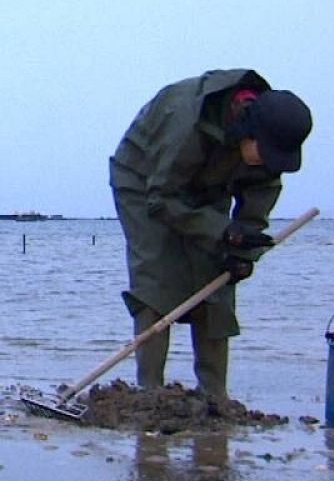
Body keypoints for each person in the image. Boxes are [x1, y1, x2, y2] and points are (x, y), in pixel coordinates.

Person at [110, 70, 312, 400]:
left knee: (217, 279)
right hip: (145, 180)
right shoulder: (185, 121)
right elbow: (162, 199)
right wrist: (222, 231)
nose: (268, 162)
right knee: (156, 278)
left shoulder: (268, 135)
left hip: (209, 183)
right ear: (247, 130)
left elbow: (258, 200)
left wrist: (241, 250)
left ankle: (214, 394)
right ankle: (151, 394)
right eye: (266, 153)